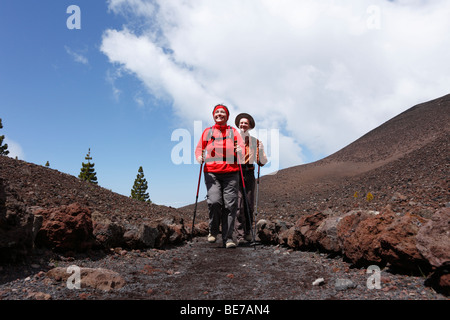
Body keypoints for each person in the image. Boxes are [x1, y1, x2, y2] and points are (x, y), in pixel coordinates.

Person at [195, 104, 245, 248]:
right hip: (212, 171)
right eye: (217, 112)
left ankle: (228, 238)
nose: (220, 114)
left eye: (223, 112)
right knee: (215, 202)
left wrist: (240, 150)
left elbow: (241, 148)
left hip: (231, 172)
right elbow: (199, 148)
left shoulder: (233, 131)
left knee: (230, 205)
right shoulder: (208, 131)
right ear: (213, 115)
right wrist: (199, 157)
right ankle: (213, 230)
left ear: (227, 116)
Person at [234, 113, 268, 245]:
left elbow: (262, 162)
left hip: (249, 173)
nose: (243, 125)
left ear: (250, 126)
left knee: (249, 204)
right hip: (236, 173)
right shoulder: (233, 140)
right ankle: (240, 235)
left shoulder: (256, 142)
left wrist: (261, 151)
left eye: (245, 123)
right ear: (238, 125)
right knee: (238, 205)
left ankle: (248, 231)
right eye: (241, 123)